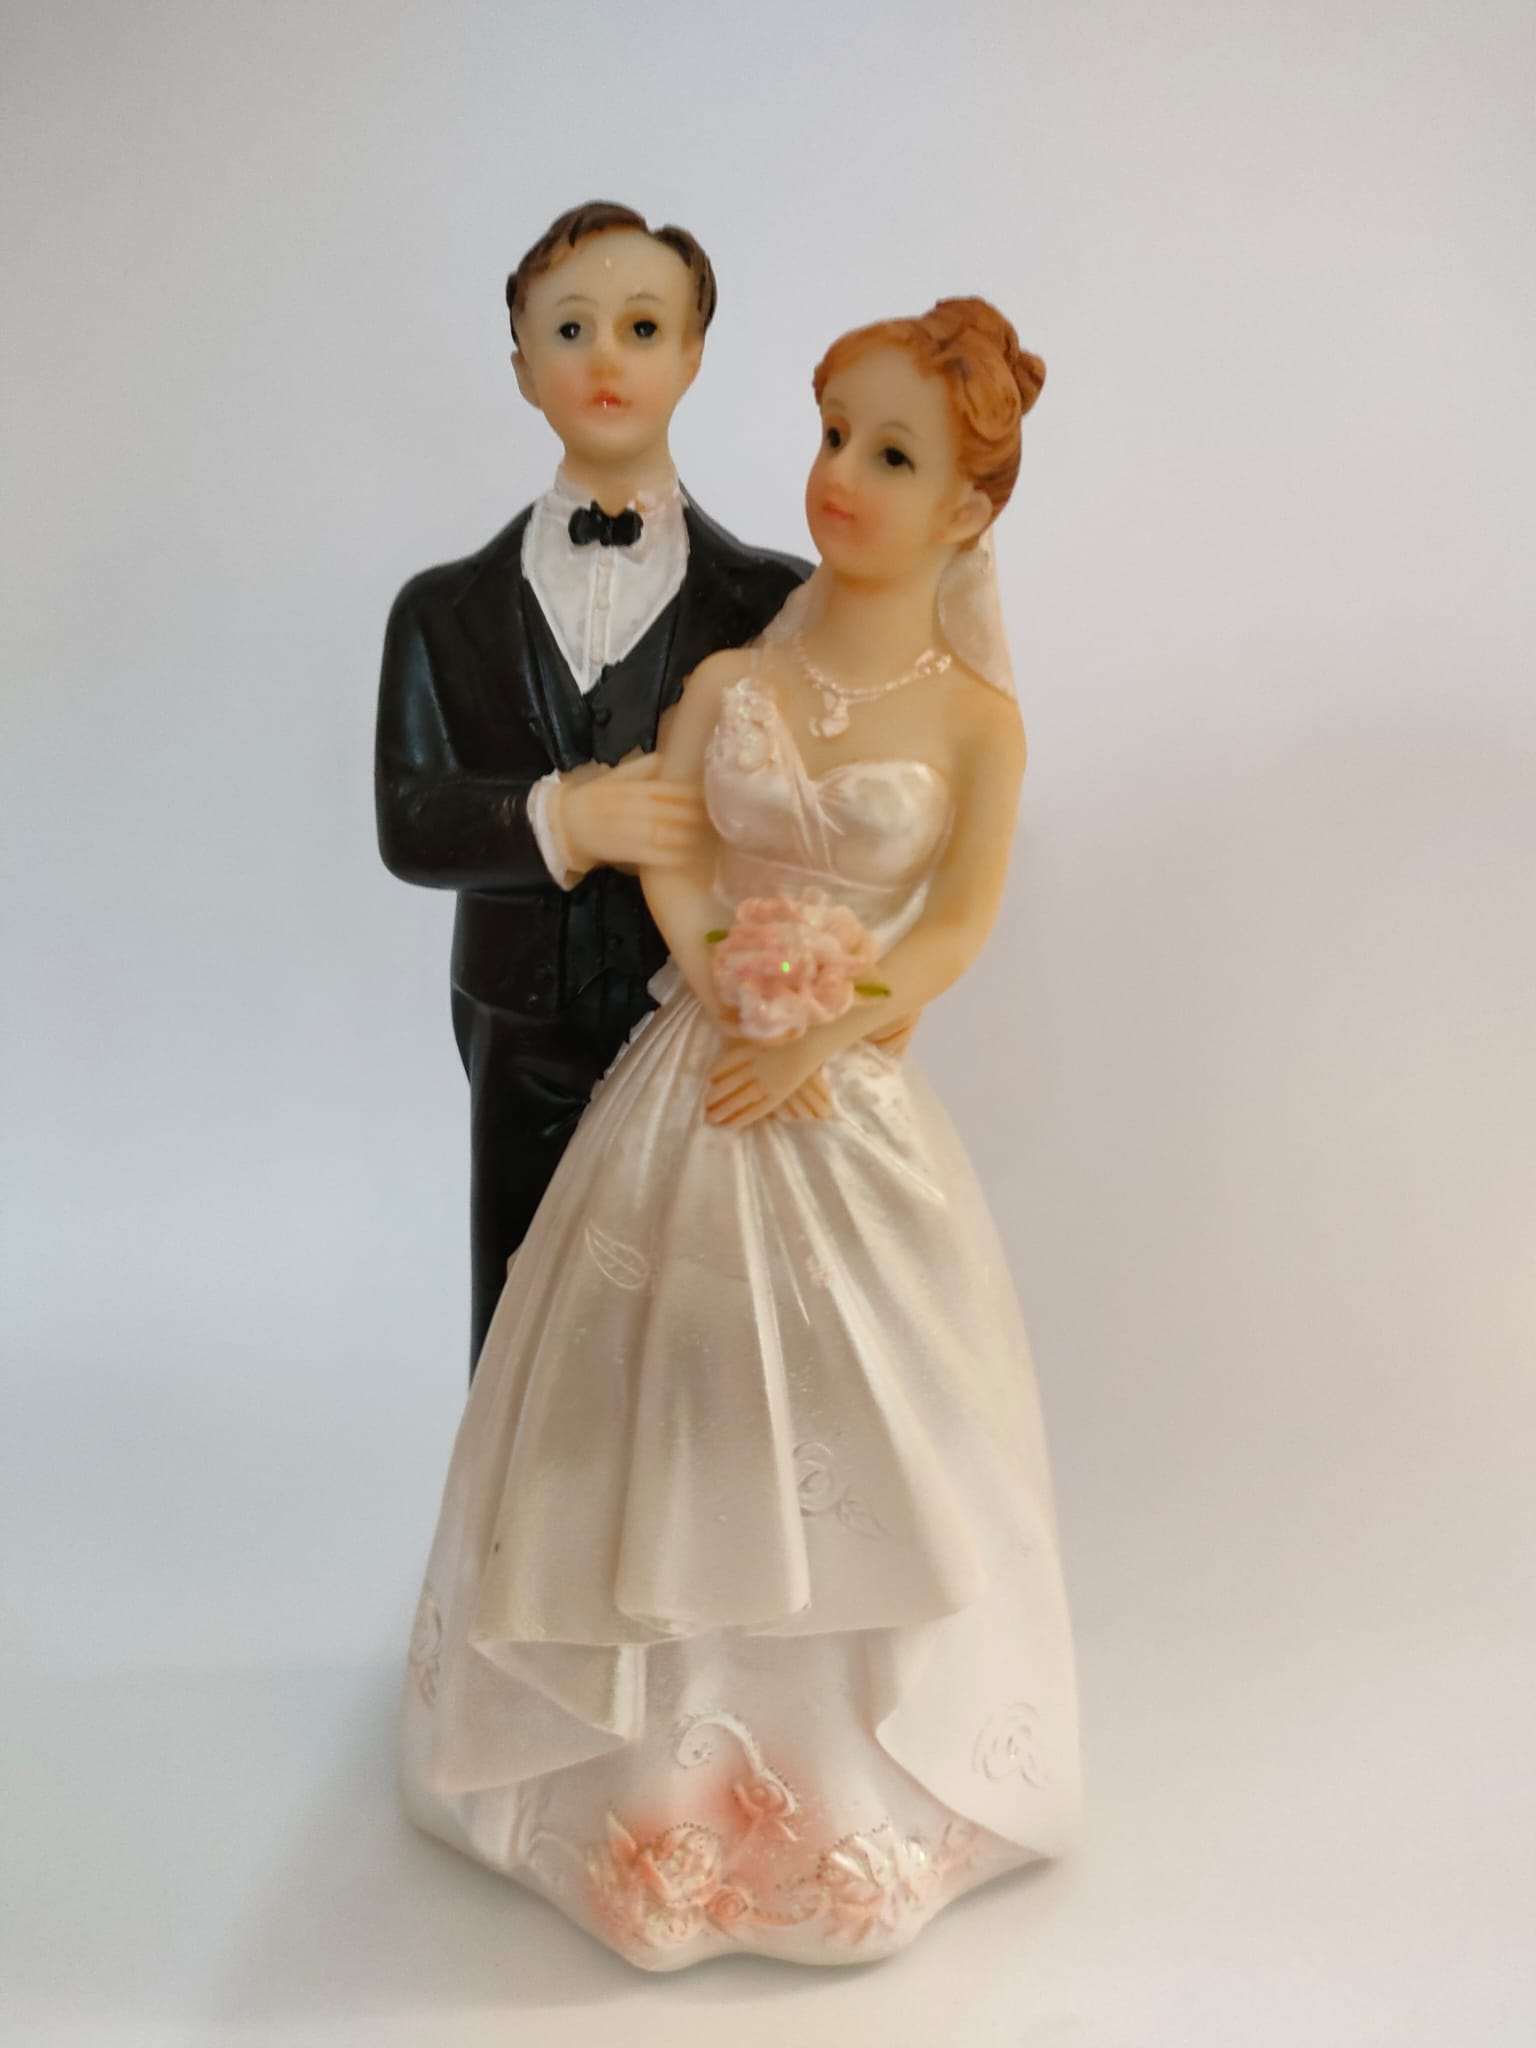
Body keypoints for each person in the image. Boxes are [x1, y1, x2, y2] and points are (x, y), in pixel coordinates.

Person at [399, 298, 1082, 1969]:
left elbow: (956, 922)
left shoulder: (976, 721)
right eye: (835, 434)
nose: (840, 475)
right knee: (665, 1380)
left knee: (868, 1402)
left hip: (844, 1097)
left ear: (968, 508)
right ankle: (642, 1774)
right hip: (698, 1075)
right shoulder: (735, 674)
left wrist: (832, 1020)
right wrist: (727, 979)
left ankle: (855, 1782)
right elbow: (684, 853)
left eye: (893, 455)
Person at [376, 202, 808, 1370]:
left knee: (694, 1318)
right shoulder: (440, 611)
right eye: (570, 329)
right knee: (524, 1312)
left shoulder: (775, 604)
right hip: (518, 1026)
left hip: (697, 1018)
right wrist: (560, 817)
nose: (606, 357)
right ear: (523, 367)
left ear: (694, 352)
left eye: (643, 326)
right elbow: (410, 820)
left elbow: (807, 820)